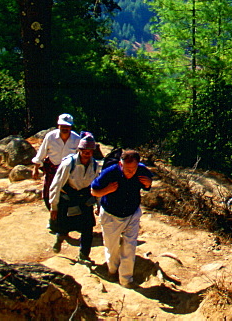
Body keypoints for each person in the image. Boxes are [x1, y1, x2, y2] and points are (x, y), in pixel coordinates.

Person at [90, 149, 153, 288]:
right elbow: (94, 190)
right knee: (111, 247)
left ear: (138, 165)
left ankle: (126, 280)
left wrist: (148, 184)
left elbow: (148, 184)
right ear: (120, 164)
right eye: (127, 169)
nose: (130, 172)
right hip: (111, 214)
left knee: (129, 247)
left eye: (133, 169)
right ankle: (112, 270)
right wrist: (107, 190)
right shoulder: (110, 172)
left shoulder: (142, 171)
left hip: (132, 214)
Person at [48, 133, 100, 262]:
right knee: (65, 226)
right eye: (84, 151)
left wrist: (99, 205)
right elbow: (56, 185)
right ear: (79, 150)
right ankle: (60, 237)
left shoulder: (95, 166)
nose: (87, 154)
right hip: (68, 198)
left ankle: (84, 255)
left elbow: (96, 186)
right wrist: (53, 206)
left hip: (84, 199)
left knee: (88, 228)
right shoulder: (68, 164)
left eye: (89, 151)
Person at [32, 113, 81, 212]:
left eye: (67, 126)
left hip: (68, 171)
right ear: (58, 125)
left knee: (66, 195)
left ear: (70, 127)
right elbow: (42, 152)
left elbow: (79, 157)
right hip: (52, 168)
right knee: (48, 193)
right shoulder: (50, 137)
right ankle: (51, 214)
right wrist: (35, 169)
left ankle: (62, 218)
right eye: (62, 126)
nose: (65, 128)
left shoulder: (76, 139)